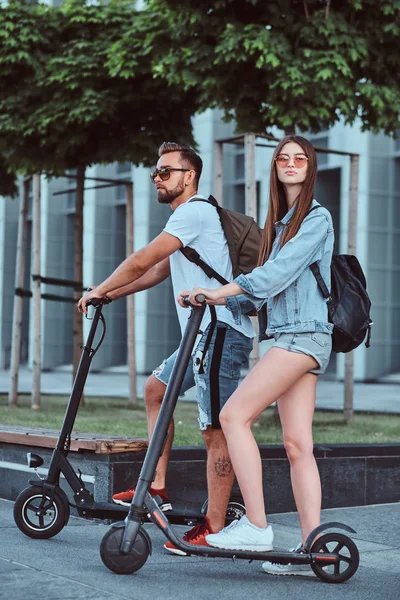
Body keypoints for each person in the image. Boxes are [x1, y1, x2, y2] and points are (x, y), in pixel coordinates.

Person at [78, 142, 254, 555]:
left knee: (215, 428)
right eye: (155, 173)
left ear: (188, 176)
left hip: (220, 332)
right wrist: (110, 296)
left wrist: (102, 286)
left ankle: (213, 528)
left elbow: (142, 259)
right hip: (200, 336)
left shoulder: (194, 211)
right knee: (156, 390)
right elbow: (158, 269)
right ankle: (156, 485)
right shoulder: (185, 220)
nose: (158, 178)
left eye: (166, 171)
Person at [182, 135, 334, 575]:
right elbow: (259, 295)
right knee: (297, 445)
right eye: (283, 159)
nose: (290, 164)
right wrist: (213, 298)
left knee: (233, 416)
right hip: (288, 336)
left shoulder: (316, 219)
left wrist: (221, 290)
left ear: (310, 167)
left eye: (299, 158)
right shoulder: (279, 225)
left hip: (302, 337)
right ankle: (313, 549)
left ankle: (256, 525)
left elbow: (273, 276)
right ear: (275, 168)